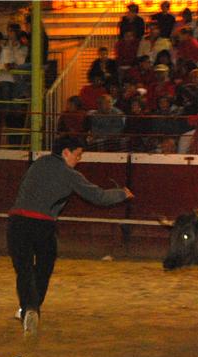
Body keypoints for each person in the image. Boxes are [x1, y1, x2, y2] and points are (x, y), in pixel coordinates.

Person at [8, 136, 134, 337]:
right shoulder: (70, 174)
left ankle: (28, 309)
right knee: (43, 269)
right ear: (65, 152)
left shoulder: (38, 163)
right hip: (43, 225)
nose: (79, 159)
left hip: (16, 223)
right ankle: (31, 308)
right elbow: (98, 197)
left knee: (23, 270)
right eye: (77, 155)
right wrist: (122, 194)